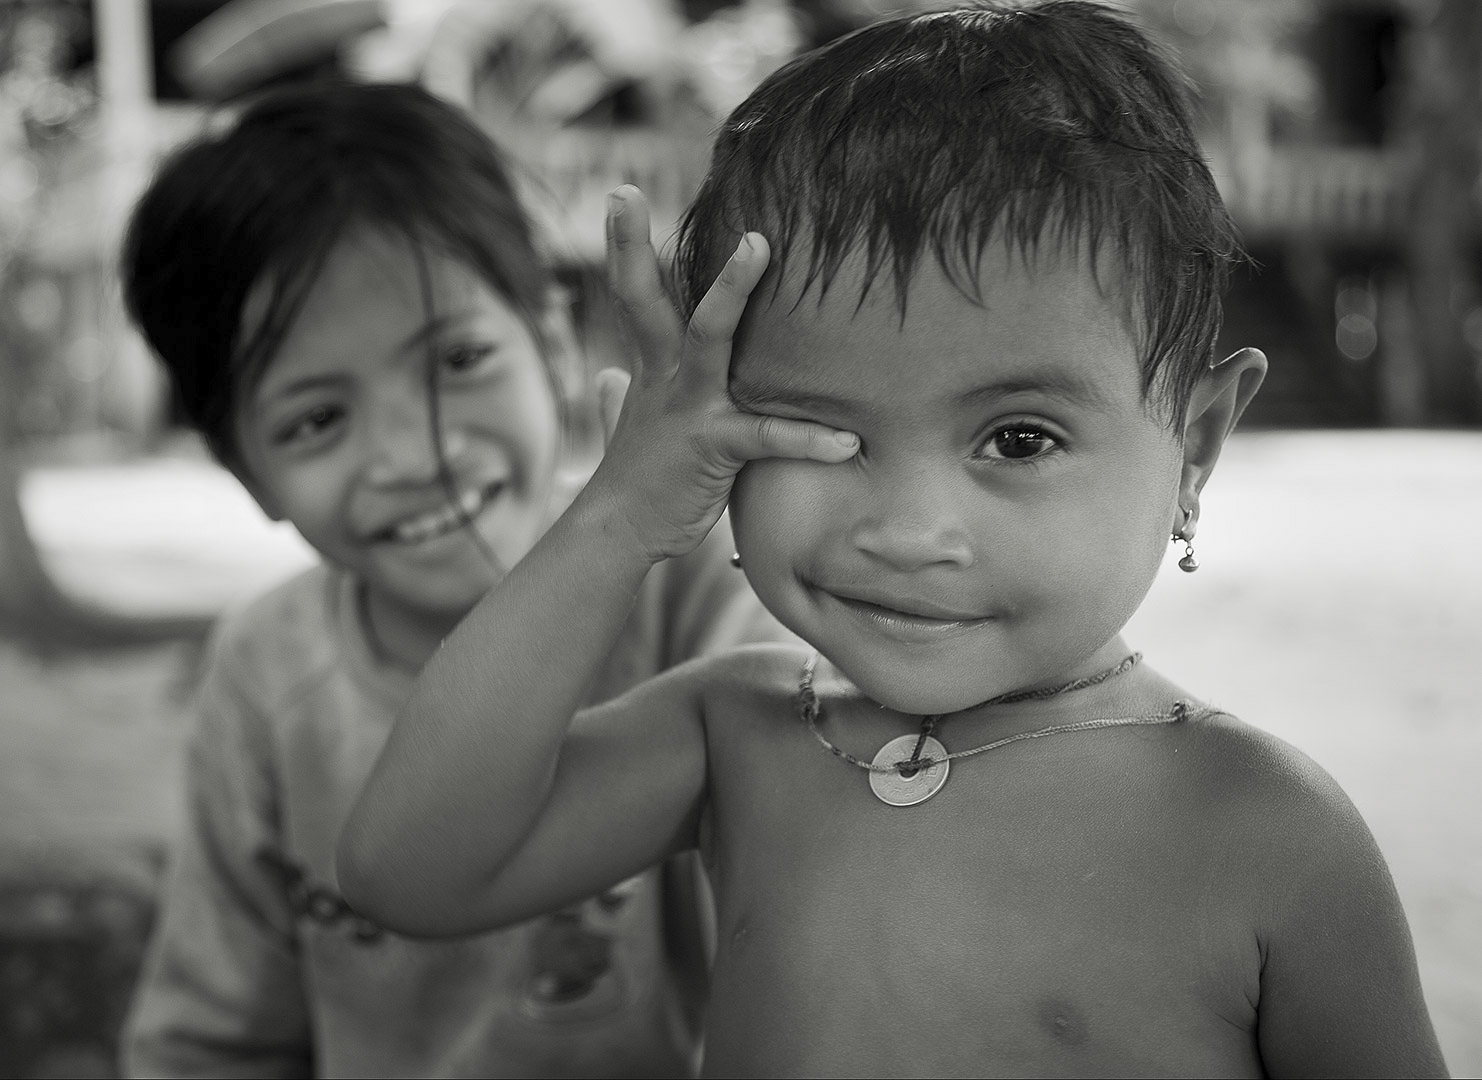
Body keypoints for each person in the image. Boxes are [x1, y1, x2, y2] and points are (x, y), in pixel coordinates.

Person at [337, 4, 1449, 1076]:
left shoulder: (1263, 826)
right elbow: (411, 870)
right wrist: (617, 518)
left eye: (1019, 439)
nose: (909, 533)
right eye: (821, 435)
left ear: (1194, 444)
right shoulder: (736, 735)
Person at [118, 80, 790, 1078]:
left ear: (552, 342)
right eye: (317, 419)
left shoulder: (701, 589)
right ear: (247, 472)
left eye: (458, 360)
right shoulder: (267, 674)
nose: (414, 455)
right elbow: (214, 1039)